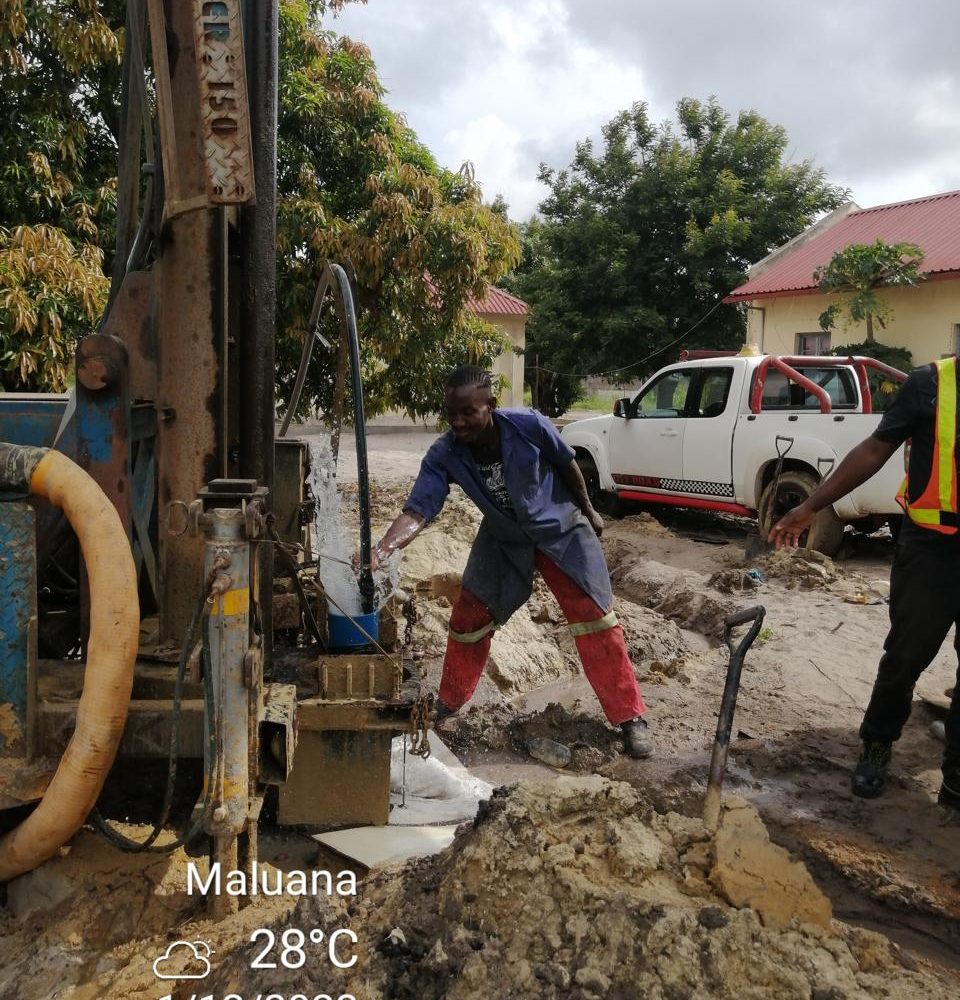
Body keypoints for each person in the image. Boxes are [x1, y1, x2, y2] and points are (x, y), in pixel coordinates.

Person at [368, 365, 653, 758]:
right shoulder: (445, 453)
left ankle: (630, 717)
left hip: (559, 527)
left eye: (468, 412)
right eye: (452, 414)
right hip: (504, 536)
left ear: (491, 405)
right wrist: (382, 549)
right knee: (468, 616)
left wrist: (589, 511)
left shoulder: (527, 424)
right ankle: (448, 702)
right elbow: (419, 509)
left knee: (594, 616)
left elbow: (566, 463)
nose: (458, 422)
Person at [769, 356, 960, 811]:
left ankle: (955, 776)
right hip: (932, 548)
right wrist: (811, 506)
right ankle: (877, 743)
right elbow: (875, 449)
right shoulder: (932, 384)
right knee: (906, 655)